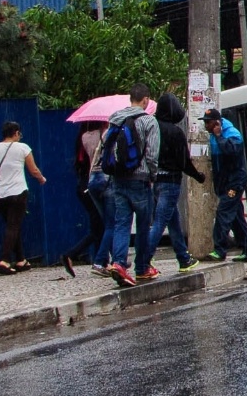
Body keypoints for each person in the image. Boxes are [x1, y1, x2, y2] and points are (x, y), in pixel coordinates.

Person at [97, 85, 160, 289]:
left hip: (118, 179)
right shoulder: (149, 121)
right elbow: (151, 154)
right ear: (146, 100)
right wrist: (152, 175)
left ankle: (118, 263)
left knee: (121, 223)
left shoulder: (115, 119)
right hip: (140, 180)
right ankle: (142, 268)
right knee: (143, 226)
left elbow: (105, 147)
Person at [146, 93, 200, 274]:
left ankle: (183, 258)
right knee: (161, 221)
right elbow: (184, 162)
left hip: (156, 181)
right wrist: (198, 176)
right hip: (171, 182)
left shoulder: (152, 128)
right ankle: (144, 259)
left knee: (173, 220)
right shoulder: (175, 132)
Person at [0, 121, 45, 274]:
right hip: (18, 191)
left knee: (13, 225)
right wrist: (41, 178)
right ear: (16, 133)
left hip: (1, 194)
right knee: (13, 226)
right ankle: (4, 260)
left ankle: (21, 260)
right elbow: (33, 169)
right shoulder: (23, 148)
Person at [204, 108, 247, 263]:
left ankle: (220, 250)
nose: (206, 126)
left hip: (235, 182)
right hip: (224, 184)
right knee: (236, 218)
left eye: (208, 122)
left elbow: (232, 151)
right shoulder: (213, 136)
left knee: (223, 212)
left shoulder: (232, 134)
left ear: (217, 122)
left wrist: (220, 137)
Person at [61, 124, 105, 278]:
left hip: (83, 184)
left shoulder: (82, 138)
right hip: (92, 184)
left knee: (99, 225)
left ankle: (101, 260)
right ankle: (94, 260)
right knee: (101, 225)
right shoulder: (97, 137)